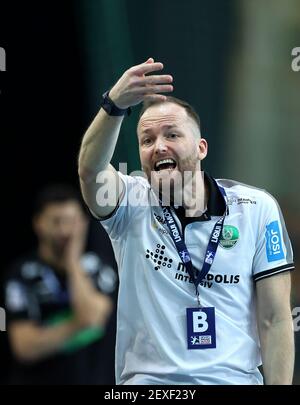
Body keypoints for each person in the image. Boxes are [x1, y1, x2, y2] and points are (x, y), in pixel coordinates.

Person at [78, 58, 295, 385]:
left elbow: (275, 318)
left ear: (201, 147)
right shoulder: (129, 201)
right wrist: (114, 105)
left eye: (172, 134)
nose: (158, 146)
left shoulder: (255, 208)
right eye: (147, 140)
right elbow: (90, 170)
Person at [4, 184, 117, 384]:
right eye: (56, 221)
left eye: (71, 221)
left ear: (83, 223)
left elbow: (92, 316)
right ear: (38, 223)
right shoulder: (21, 274)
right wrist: (78, 324)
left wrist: (72, 261)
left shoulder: (100, 268)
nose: (65, 230)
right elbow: (25, 347)